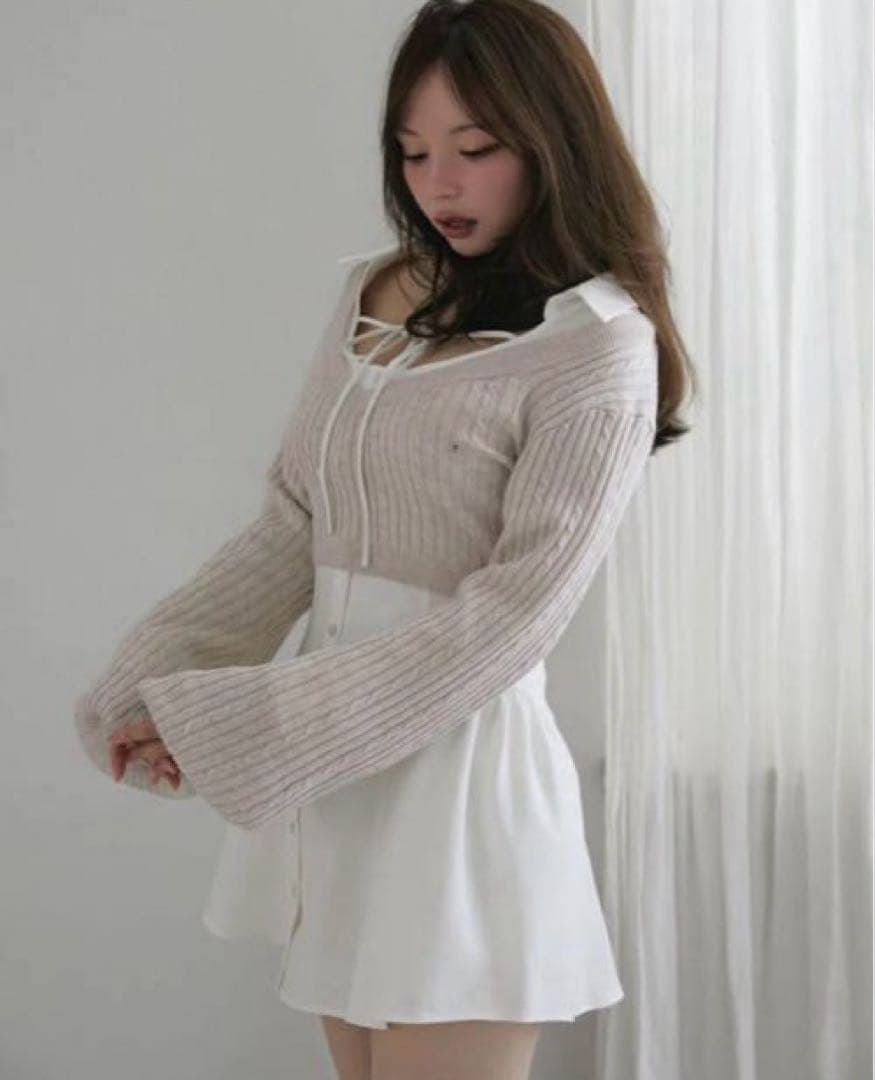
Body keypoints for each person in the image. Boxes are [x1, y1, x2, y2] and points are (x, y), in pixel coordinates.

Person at [75, 1, 694, 1077]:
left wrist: (245, 723)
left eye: (475, 149)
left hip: (454, 787)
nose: (438, 184)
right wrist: (149, 678)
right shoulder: (374, 290)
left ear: (552, 142)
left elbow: (509, 620)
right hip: (335, 777)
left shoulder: (598, 347)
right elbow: (296, 517)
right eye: (412, 153)